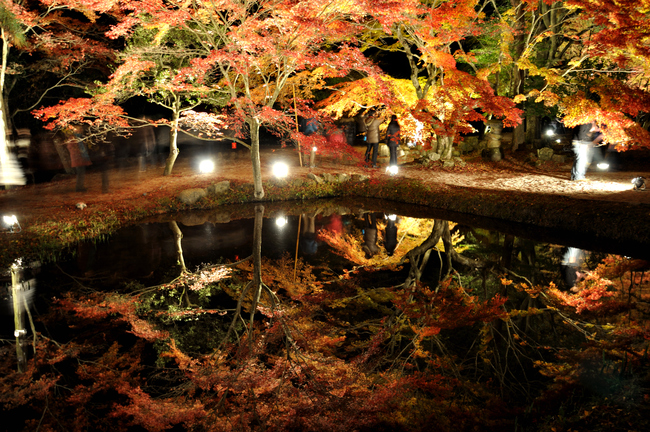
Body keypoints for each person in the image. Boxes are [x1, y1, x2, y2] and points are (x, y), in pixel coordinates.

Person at [64, 125, 92, 192]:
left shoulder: (79, 138)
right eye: (79, 129)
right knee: (80, 173)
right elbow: (70, 147)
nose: (81, 130)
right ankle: (79, 188)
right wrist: (77, 152)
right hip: (77, 158)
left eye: (81, 129)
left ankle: (80, 187)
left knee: (81, 173)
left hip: (80, 158)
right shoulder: (73, 138)